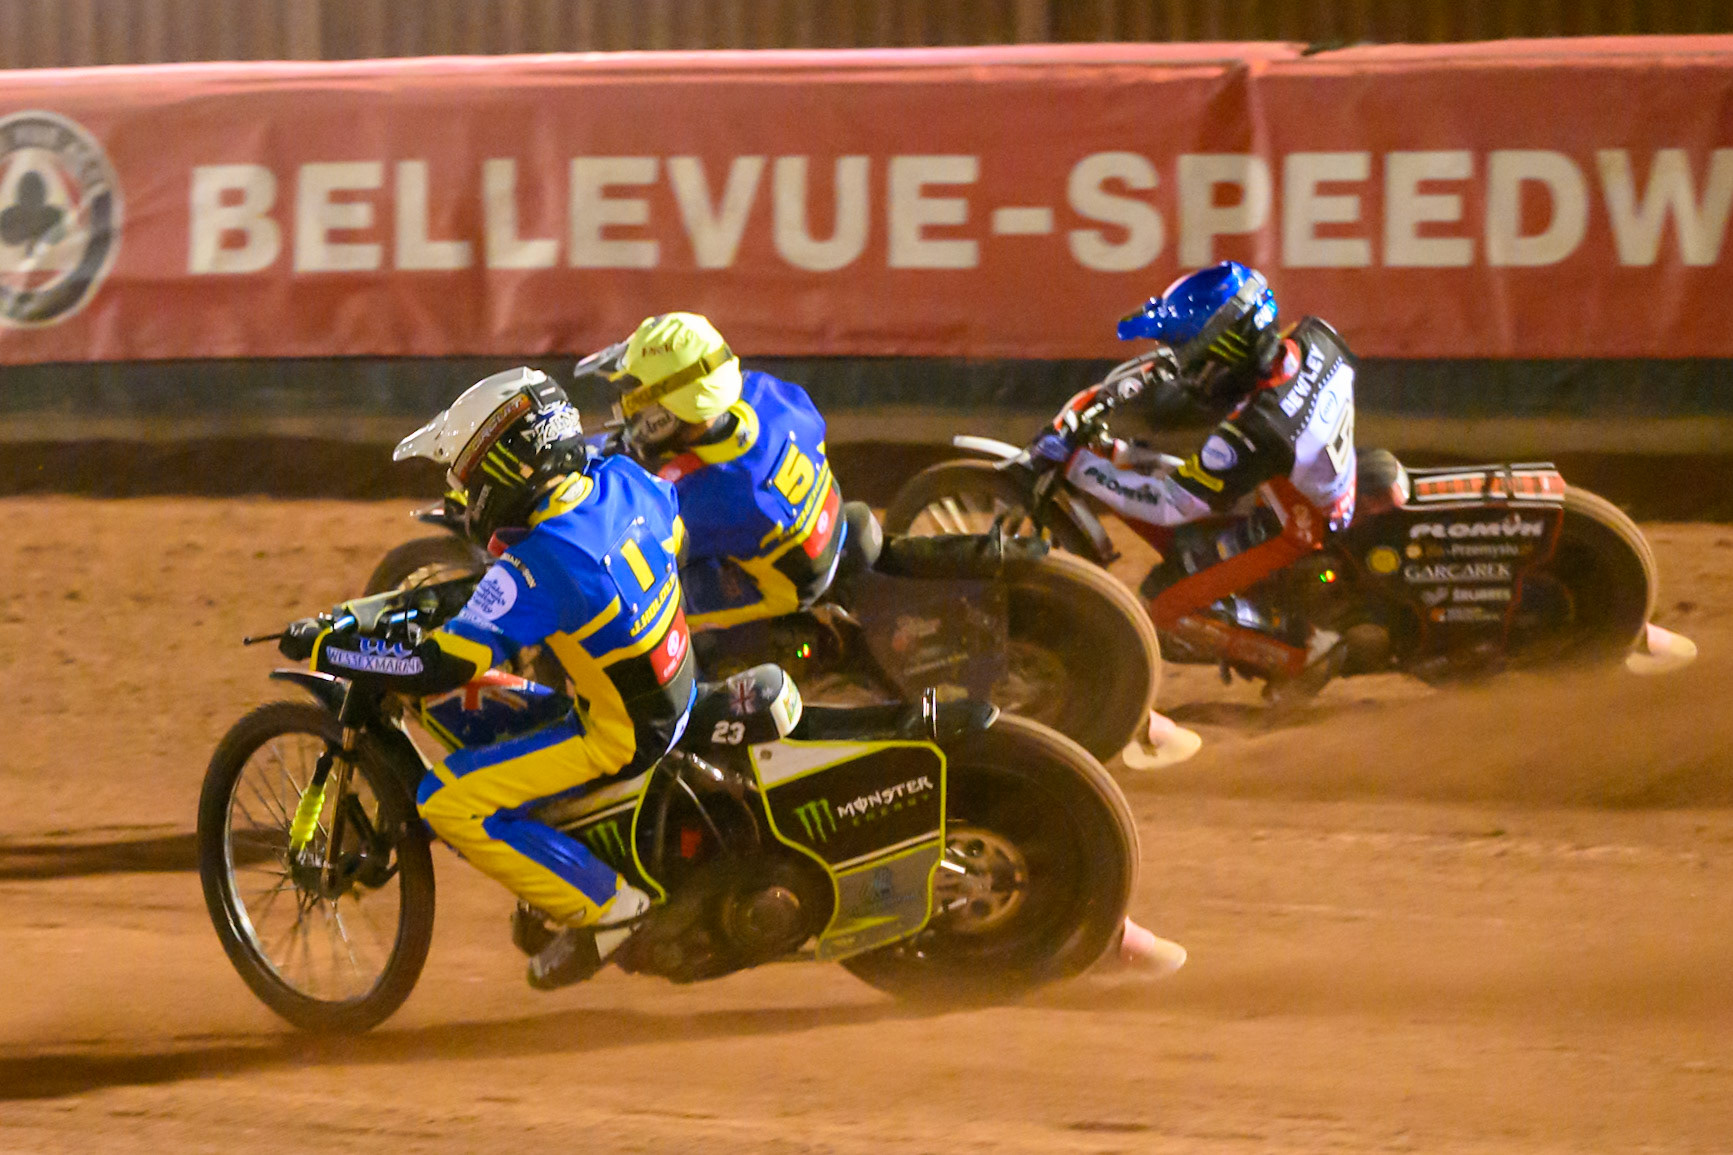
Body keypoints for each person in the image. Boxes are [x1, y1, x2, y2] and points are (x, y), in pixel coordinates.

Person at [283, 367, 696, 990]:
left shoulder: (541, 561)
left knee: (446, 800)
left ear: (506, 466)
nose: (464, 494)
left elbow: (433, 669)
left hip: (620, 732)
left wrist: (329, 647)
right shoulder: (623, 480)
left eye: (469, 477)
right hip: (676, 682)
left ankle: (611, 911)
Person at [1033, 261, 1360, 685]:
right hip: (1303, 486)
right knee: (1172, 471)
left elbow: (1172, 505)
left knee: (1163, 608)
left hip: (1294, 527)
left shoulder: (1258, 429)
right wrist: (1115, 456)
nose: (1190, 371)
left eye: (1198, 359)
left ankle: (1305, 652)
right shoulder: (1315, 336)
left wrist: (1079, 466)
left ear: (1233, 351)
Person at [598, 312, 845, 631]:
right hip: (821, 519)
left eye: (635, 396)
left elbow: (649, 540)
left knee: (639, 616)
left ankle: (703, 677)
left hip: (787, 587)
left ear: (672, 410)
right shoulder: (764, 390)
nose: (627, 406)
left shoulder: (710, 495)